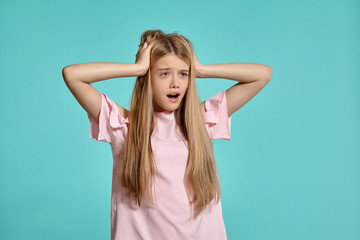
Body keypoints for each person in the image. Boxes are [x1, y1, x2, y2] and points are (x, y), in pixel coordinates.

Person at [62, 29, 272, 240]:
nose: (175, 83)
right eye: (164, 73)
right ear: (146, 78)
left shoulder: (199, 123)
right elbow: (73, 76)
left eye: (183, 73)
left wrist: (199, 69)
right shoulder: (124, 128)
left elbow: (262, 75)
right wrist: (138, 68)